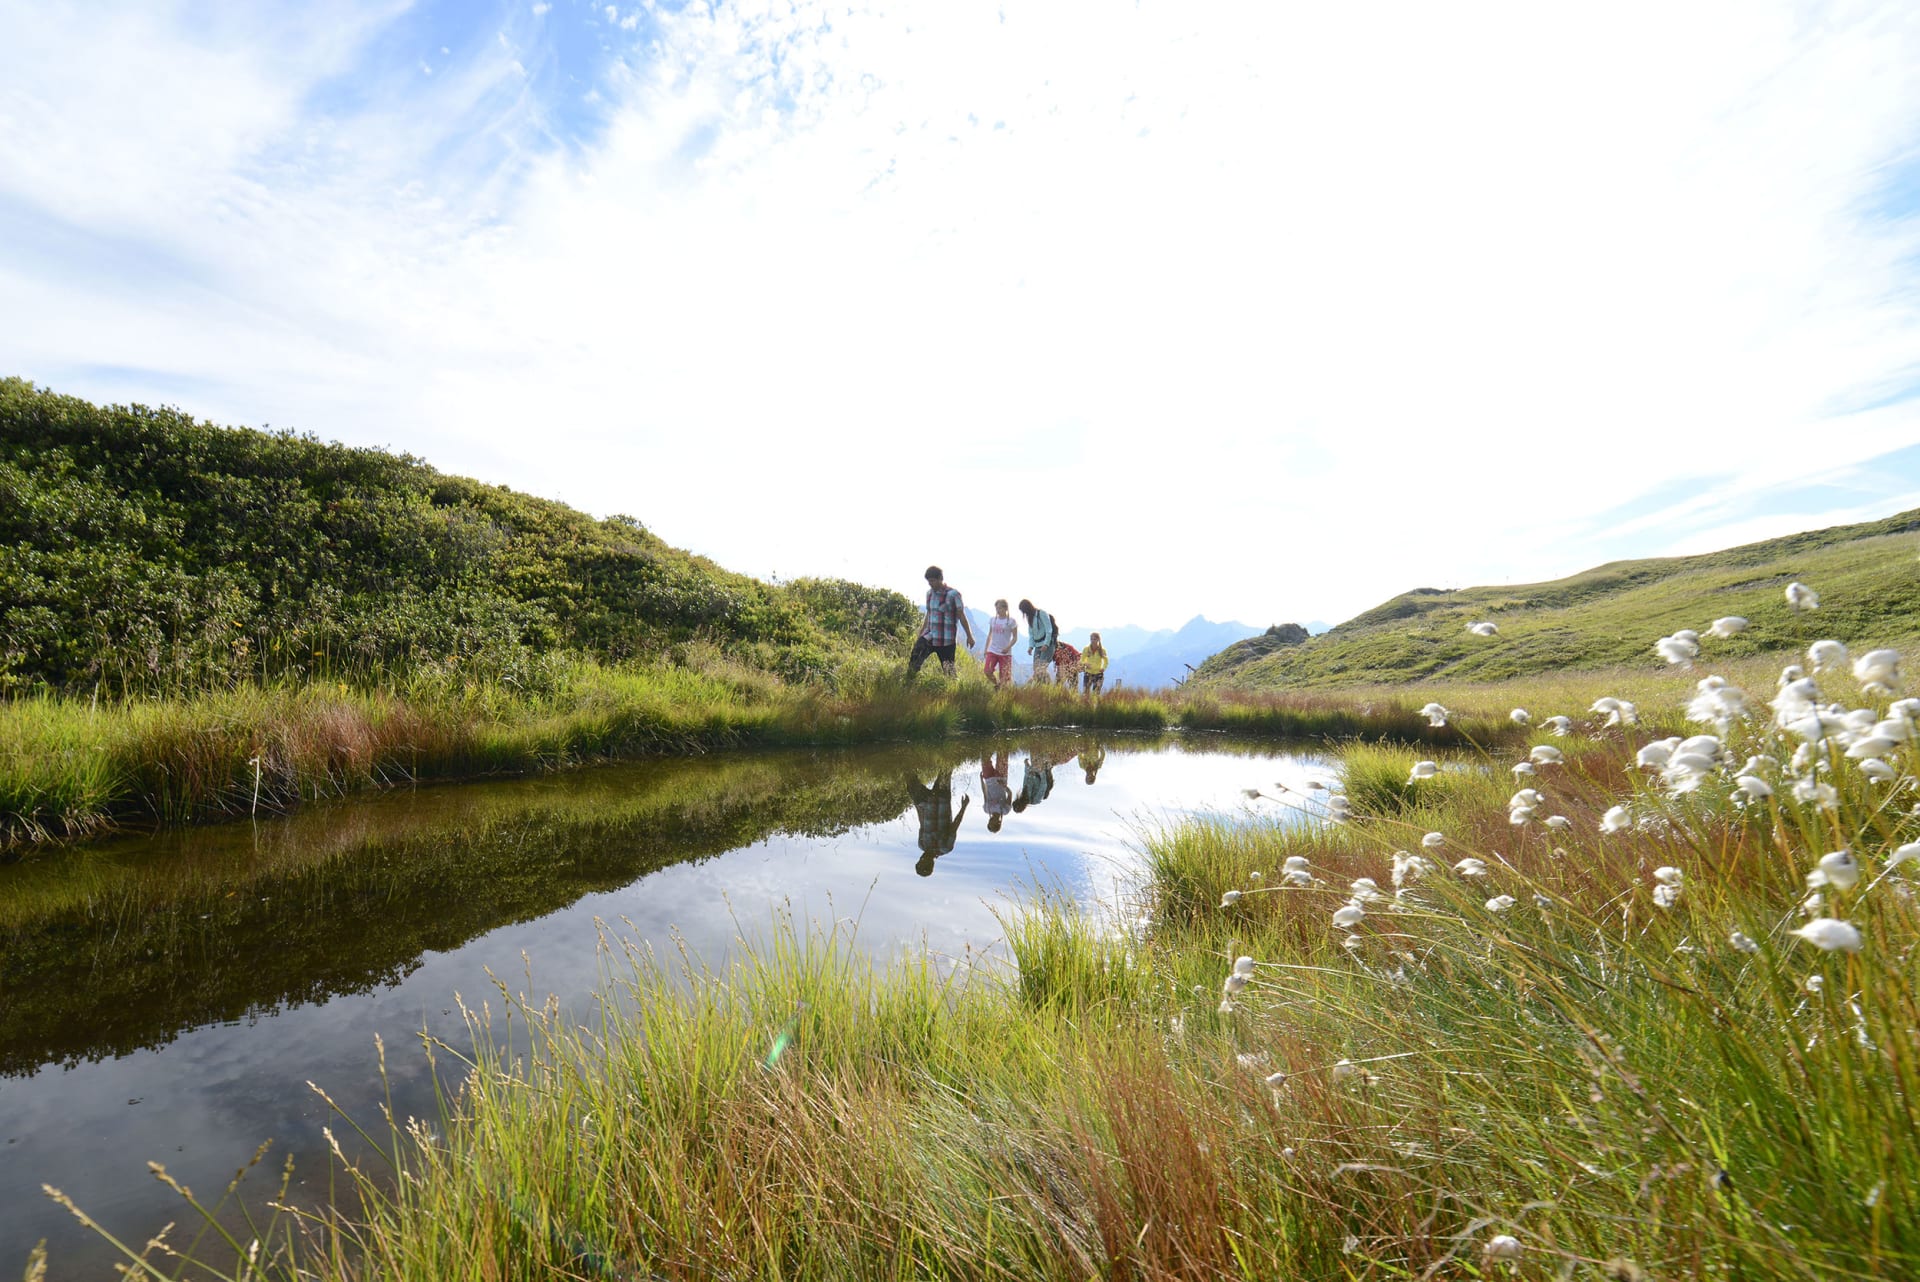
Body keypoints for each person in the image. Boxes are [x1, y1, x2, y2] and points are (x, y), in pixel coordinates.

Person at [907, 565, 975, 679]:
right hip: (930, 636)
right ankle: (909, 682)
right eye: (929, 582)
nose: (930, 584)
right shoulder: (929, 594)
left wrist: (969, 636)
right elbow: (929, 613)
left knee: (949, 672)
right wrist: (922, 631)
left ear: (940, 579)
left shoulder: (953, 595)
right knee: (914, 659)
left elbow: (961, 615)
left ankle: (953, 691)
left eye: (932, 581)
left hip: (946, 640)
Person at [904, 768, 969, 876]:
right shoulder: (945, 848)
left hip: (924, 802)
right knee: (946, 770)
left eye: (919, 860)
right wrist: (963, 807)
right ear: (931, 864)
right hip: (941, 798)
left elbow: (922, 823)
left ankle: (909, 756)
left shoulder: (922, 844)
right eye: (923, 861)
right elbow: (954, 827)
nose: (921, 858)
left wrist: (916, 805)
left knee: (910, 780)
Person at [1017, 599, 1056, 685]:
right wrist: (1030, 647)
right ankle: (1046, 687)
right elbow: (1031, 634)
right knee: (1037, 669)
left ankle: (1041, 687)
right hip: (1038, 645)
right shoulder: (1029, 618)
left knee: (1041, 669)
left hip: (1048, 645)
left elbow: (1049, 629)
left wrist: (1046, 643)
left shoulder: (1041, 613)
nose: (1024, 613)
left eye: (1024, 610)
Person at [981, 599, 1018, 687]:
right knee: (987, 671)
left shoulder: (1011, 621)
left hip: (1005, 653)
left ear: (1006, 609)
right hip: (993, 650)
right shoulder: (993, 620)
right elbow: (990, 635)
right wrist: (986, 649)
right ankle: (997, 684)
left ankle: (1002, 690)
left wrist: (1007, 647)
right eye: (996, 608)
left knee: (1005, 678)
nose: (998, 610)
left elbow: (1015, 637)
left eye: (1000, 608)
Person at [980, 749, 1012, 832]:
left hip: (988, 779)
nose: (990, 821)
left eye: (989, 822)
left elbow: (984, 792)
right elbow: (1010, 794)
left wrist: (981, 780)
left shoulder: (986, 809)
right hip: (1001, 777)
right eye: (992, 823)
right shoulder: (1005, 810)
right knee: (1003, 753)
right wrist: (1004, 786)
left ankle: (990, 740)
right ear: (998, 823)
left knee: (984, 757)